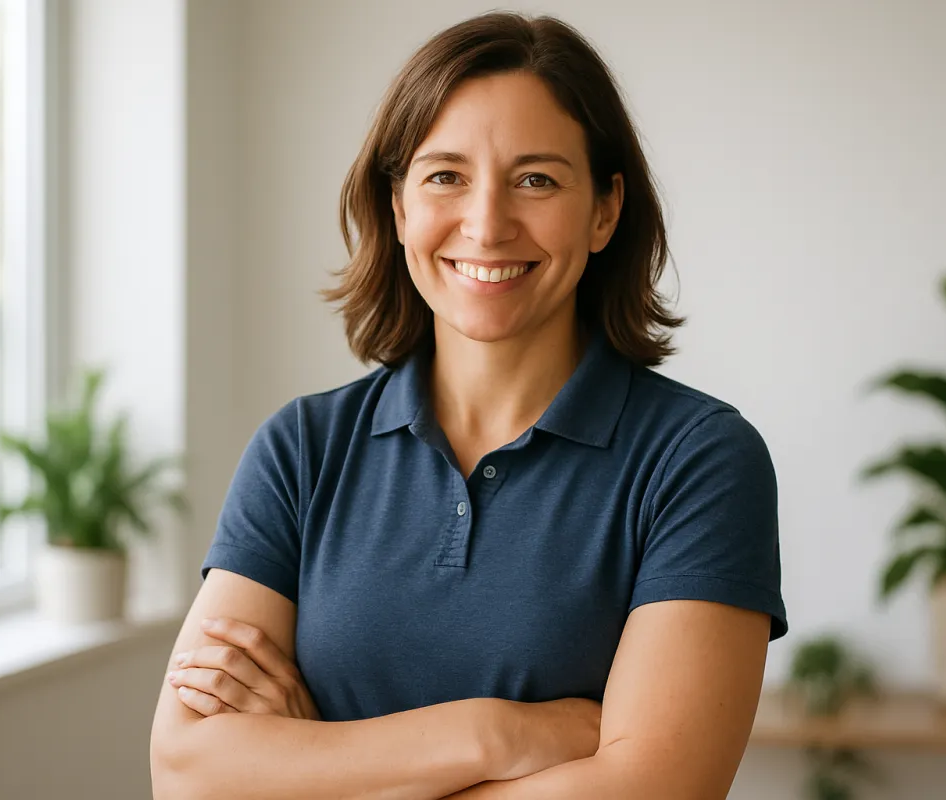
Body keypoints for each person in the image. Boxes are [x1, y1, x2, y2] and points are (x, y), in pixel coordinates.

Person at [151, 11, 786, 800]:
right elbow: (185, 773)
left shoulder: (699, 460)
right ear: (398, 206)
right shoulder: (301, 450)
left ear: (604, 210)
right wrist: (505, 735)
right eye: (445, 175)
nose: (486, 225)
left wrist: (309, 759)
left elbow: (656, 790)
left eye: (536, 179)